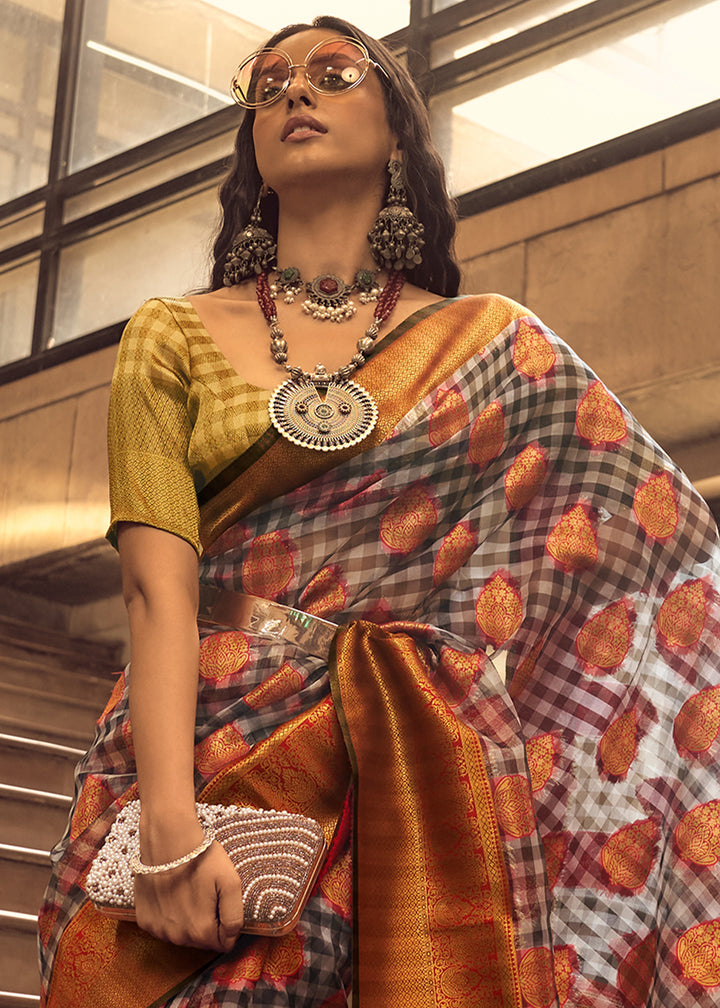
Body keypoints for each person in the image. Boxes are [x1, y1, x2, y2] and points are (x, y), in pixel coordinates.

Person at [38, 14, 720, 1008]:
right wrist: (173, 830)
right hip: (217, 748)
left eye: (332, 74)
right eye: (267, 85)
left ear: (400, 135)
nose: (293, 94)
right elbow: (154, 590)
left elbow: (663, 552)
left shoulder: (491, 345)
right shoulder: (172, 335)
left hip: (422, 781)